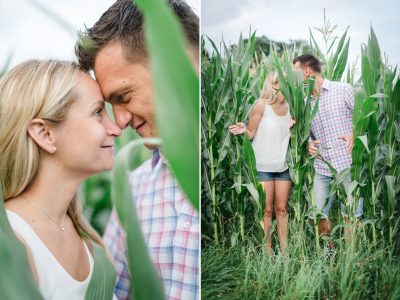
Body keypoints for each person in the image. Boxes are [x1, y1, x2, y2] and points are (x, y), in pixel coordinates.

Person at [75, 0, 199, 299]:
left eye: (124, 96)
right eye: (108, 106)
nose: (120, 122)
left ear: (176, 62)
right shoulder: (132, 189)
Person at [0, 60, 121, 299]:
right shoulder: (11, 243)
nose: (116, 128)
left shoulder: (85, 236)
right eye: (97, 112)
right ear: (45, 134)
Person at [293, 54, 363, 252]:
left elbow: (364, 117)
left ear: (306, 71)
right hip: (322, 165)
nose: (292, 77)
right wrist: (308, 144)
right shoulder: (305, 102)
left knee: (351, 212)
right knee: (318, 213)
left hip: (347, 162)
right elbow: (305, 132)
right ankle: (329, 253)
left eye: (295, 72)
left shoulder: (343, 90)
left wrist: (354, 134)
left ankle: (352, 258)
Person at [229, 72, 294, 254]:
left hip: (283, 167)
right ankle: (267, 254)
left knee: (281, 209)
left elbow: (293, 138)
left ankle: (285, 253)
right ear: (275, 85)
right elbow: (251, 133)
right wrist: (244, 129)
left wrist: (293, 130)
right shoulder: (261, 106)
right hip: (263, 166)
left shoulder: (292, 108)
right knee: (266, 211)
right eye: (287, 80)